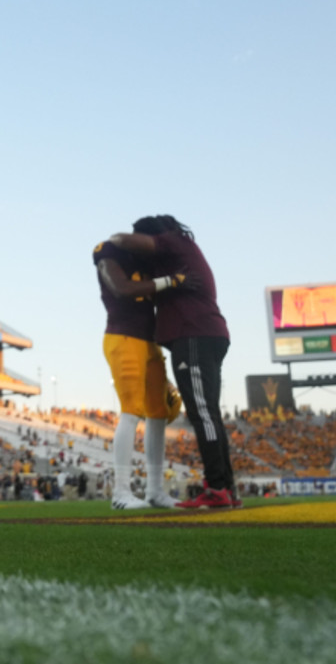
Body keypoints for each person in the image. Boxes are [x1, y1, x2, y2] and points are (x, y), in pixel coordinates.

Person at [111, 215, 239, 509]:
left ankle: (217, 488)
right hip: (206, 334)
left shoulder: (171, 242)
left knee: (203, 414)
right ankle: (226, 489)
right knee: (210, 414)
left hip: (192, 335)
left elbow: (120, 240)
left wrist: (116, 246)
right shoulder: (182, 250)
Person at [93, 239, 187, 510]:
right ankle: (120, 493)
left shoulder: (148, 264)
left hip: (150, 342)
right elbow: (122, 288)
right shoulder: (110, 252)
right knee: (131, 410)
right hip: (123, 337)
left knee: (157, 413)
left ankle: (155, 491)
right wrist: (170, 281)